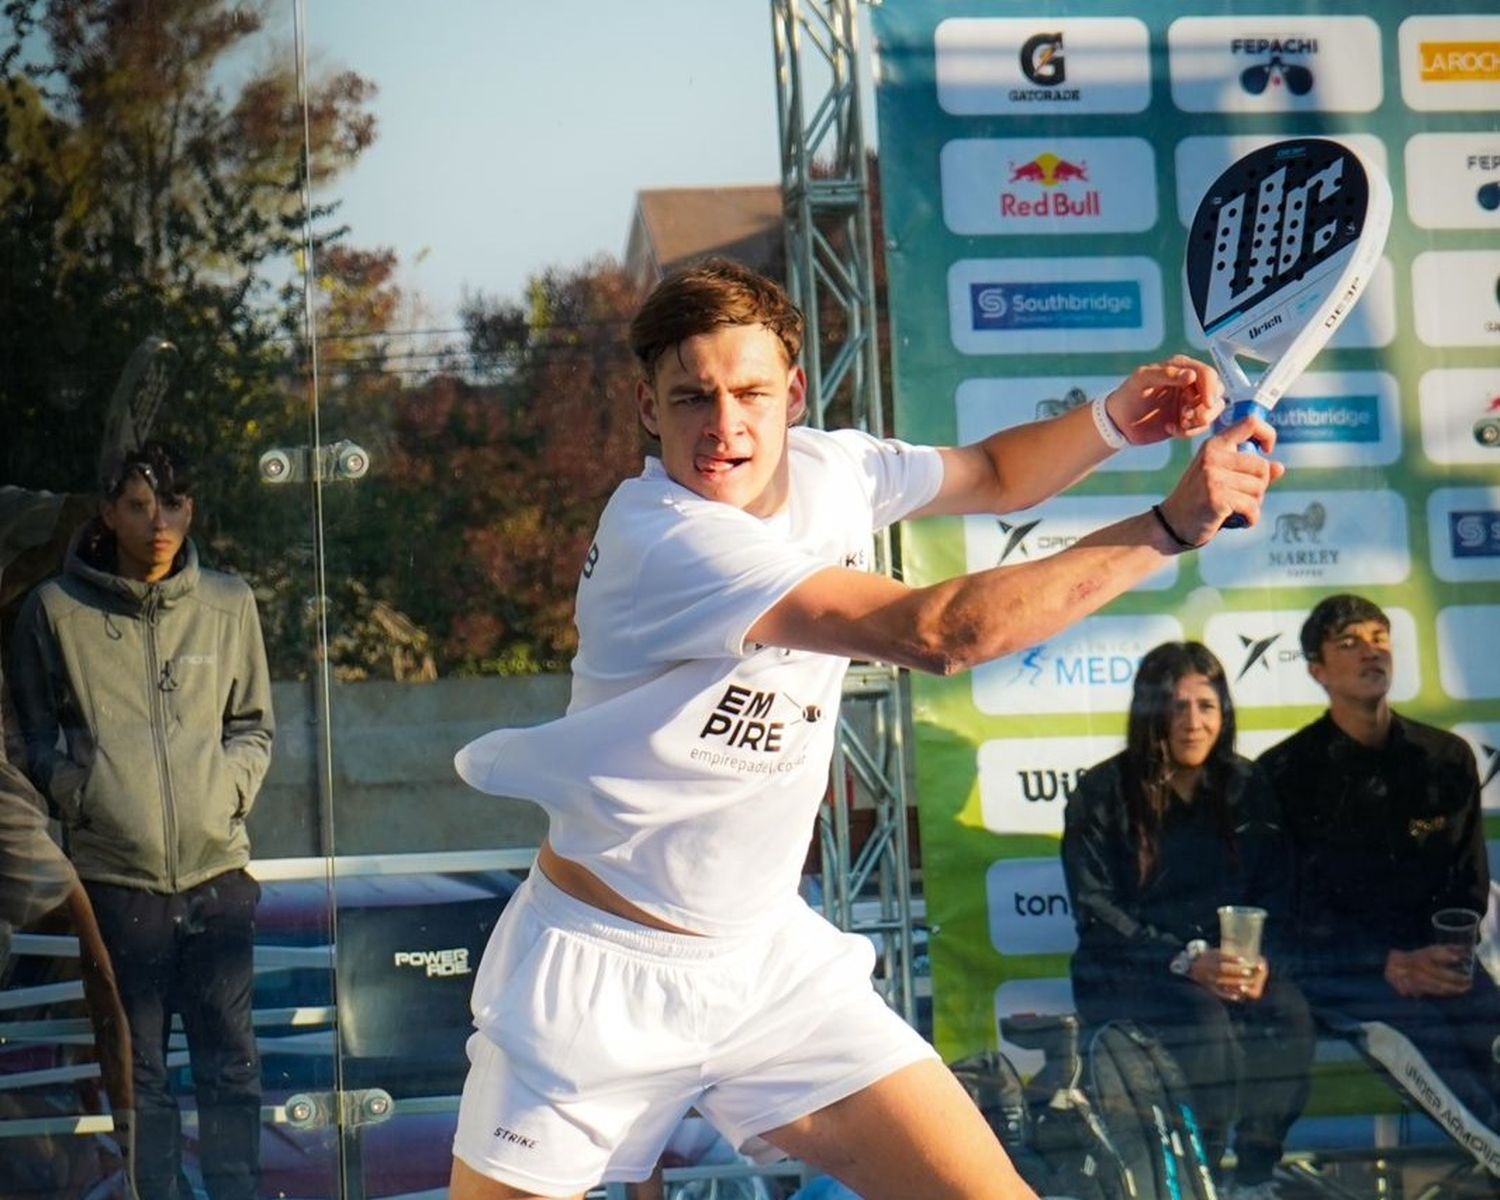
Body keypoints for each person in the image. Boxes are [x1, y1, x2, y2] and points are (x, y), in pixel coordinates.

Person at [449, 257, 1283, 1200]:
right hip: (597, 980)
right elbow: (941, 632)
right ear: (649, 409)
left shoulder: (832, 468)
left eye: (752, 393)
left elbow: (999, 474)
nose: (725, 427)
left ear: (794, 393)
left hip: (767, 968)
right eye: (692, 399)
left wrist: (1115, 423)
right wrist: (1168, 526)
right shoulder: (663, 538)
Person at [11, 442, 275, 1200]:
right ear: (107, 513)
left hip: (216, 876)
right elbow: (32, 740)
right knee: (143, 1076)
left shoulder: (229, 604)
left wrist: (225, 795)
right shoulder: (56, 611)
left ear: (191, 510)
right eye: (137, 505)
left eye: (173, 504)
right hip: (118, 886)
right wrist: (85, 796)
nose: (158, 522)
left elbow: (254, 724)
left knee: (233, 1072)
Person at [1061, 642, 1315, 1199]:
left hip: (1227, 966)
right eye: (1178, 707)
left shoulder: (1245, 785)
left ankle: (1255, 1172)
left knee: (1289, 1014)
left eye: (1207, 706)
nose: (1194, 723)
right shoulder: (1102, 792)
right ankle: (1205, 1174)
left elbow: (1278, 890)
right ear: (1150, 713)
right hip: (1130, 970)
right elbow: (1097, 911)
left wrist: (1261, 961)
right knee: (1204, 1024)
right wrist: (1185, 960)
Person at [1257, 594, 1500, 1134]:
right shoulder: (1283, 774)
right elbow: (1291, 913)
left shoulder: (1445, 757)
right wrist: (1385, 963)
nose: (1371, 652)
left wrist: (1446, 953)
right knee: (1447, 1069)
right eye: (1349, 643)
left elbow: (1468, 881)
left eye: (1379, 638)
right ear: (1318, 671)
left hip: (1443, 966)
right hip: (1347, 977)